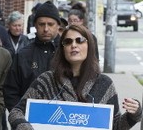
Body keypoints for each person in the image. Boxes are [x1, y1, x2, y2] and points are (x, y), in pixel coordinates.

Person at [8, 25, 142, 130]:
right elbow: (16, 112)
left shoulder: (105, 84)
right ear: (63, 48)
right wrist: (25, 127)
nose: (74, 45)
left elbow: (114, 126)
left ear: (89, 46)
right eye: (68, 41)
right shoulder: (46, 80)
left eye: (80, 40)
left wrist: (134, 113)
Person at [4, 1, 61, 112]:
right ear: (35, 25)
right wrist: (19, 118)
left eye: (50, 24)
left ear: (58, 25)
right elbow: (10, 91)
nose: (45, 29)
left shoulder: (68, 52)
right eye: (41, 24)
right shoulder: (23, 55)